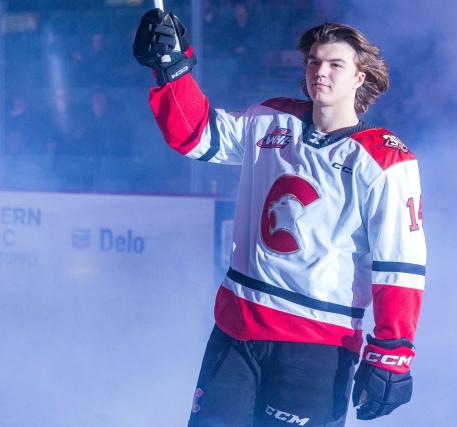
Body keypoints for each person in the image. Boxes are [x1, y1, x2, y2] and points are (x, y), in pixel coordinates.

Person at [133, 9, 427, 427]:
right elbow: (195, 134)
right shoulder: (269, 119)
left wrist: (392, 352)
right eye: (313, 62)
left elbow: (400, 265)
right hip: (237, 329)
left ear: (360, 78)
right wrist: (172, 70)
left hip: (316, 347)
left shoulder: (385, 160)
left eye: (334, 64)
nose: (320, 71)